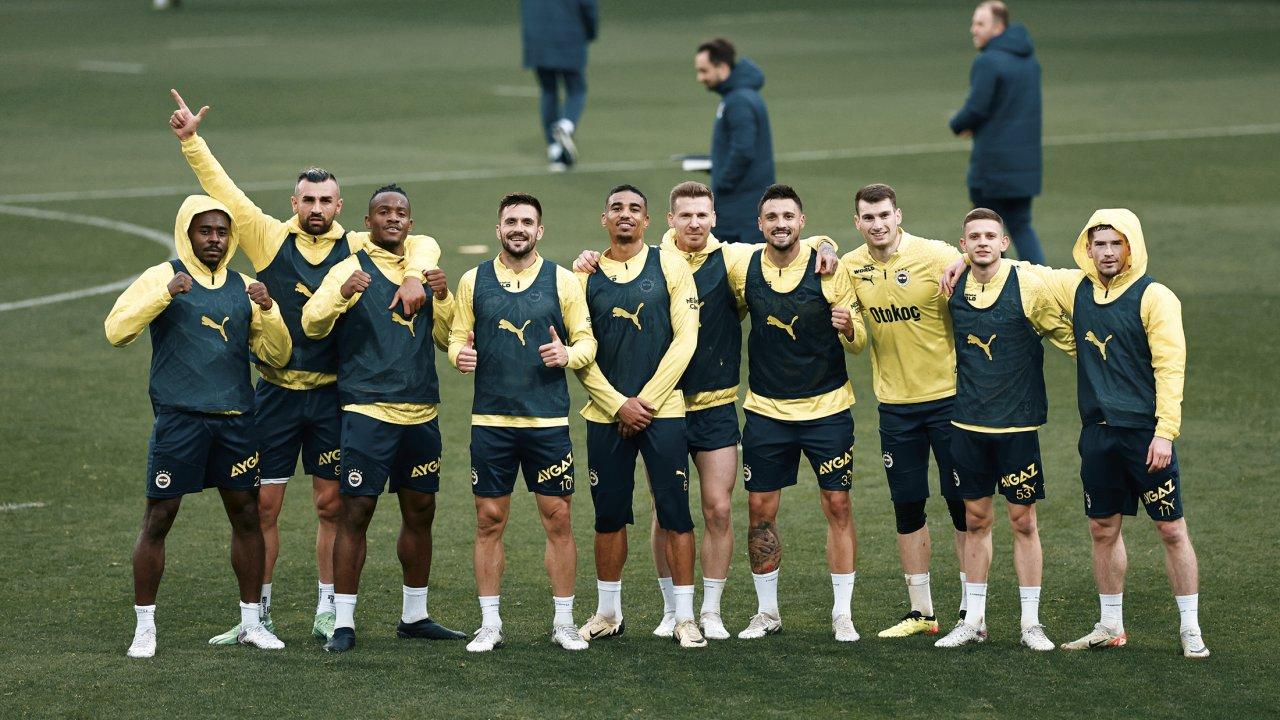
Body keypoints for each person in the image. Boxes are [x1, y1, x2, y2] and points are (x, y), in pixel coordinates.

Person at [168, 89, 437, 643]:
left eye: (326, 201)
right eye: (308, 200)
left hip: (336, 395)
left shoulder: (358, 245)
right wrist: (192, 141)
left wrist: (416, 272)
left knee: (332, 505)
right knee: (263, 505)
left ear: (340, 207)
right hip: (274, 392)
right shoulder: (268, 237)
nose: (316, 209)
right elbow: (224, 190)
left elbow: (419, 241)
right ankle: (258, 612)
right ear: (295, 202)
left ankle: (327, 608)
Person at [574, 182, 839, 640]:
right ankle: (671, 610)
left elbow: (786, 243)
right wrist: (586, 259)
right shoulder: (654, 259)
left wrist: (827, 246)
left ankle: (711, 610)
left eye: (702, 215)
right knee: (665, 510)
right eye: (686, 215)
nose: (694, 223)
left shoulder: (732, 259)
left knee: (717, 509)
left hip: (714, 404)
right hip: (662, 408)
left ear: (714, 219)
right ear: (669, 220)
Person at [940, 208, 1206, 658]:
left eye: (1116, 243)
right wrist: (965, 259)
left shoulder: (1155, 296)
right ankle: (1110, 625)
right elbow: (1017, 267)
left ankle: (1190, 628)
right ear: (1088, 248)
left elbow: (1170, 367)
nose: (1108, 252)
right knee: (1102, 528)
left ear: (1131, 247)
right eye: (1099, 244)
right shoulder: (1075, 287)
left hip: (1145, 434)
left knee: (1171, 529)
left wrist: (1166, 431)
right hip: (1097, 433)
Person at [106, 195, 292, 658]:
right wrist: (165, 294)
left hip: (236, 421)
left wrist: (269, 310)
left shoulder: (246, 287)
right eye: (204, 231)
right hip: (180, 420)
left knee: (247, 517)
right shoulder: (163, 276)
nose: (214, 239)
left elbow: (278, 356)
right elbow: (117, 331)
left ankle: (251, 623)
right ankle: (144, 628)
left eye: (222, 232)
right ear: (187, 233)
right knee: (159, 518)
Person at [300, 185, 466, 653]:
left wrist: (443, 295)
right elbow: (312, 323)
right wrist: (342, 295)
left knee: (421, 511)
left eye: (400, 213)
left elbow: (446, 338)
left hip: (421, 410)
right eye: (383, 212)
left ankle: (415, 616)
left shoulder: (425, 269)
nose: (392, 218)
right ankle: (343, 623)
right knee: (356, 513)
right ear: (367, 222)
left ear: (410, 223)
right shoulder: (349, 268)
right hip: (367, 411)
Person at [448, 193, 595, 652]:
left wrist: (568, 354)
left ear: (539, 231)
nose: (518, 229)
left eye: (526, 222)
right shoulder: (473, 280)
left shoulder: (563, 280)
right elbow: (456, 336)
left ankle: (564, 622)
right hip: (490, 422)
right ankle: (489, 623)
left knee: (559, 518)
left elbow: (586, 340)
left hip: (547, 423)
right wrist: (458, 355)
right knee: (489, 520)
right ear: (499, 229)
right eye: (510, 221)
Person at [728, 184, 867, 642]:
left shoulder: (829, 268)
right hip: (767, 411)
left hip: (828, 409)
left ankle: (842, 614)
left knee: (838, 505)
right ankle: (767, 612)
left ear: (802, 222)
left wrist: (850, 329)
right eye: (772, 217)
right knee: (759, 511)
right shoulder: (744, 266)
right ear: (759, 224)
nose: (781, 224)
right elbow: (690, 249)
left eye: (789, 216)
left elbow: (860, 340)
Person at [931, 208, 1073, 651]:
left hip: (1017, 427)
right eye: (974, 237)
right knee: (975, 521)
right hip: (967, 425)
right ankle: (973, 619)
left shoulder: (1027, 285)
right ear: (963, 244)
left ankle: (1031, 623)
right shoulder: (952, 286)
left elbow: (1065, 336)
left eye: (990, 236)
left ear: (1004, 242)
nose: (982, 242)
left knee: (1023, 521)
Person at [573, 184, 705, 648]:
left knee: (676, 513)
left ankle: (685, 618)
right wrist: (617, 404)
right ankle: (608, 613)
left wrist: (643, 402)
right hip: (604, 414)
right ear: (604, 218)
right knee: (608, 516)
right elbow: (579, 350)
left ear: (647, 221)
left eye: (634, 209)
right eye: (616, 208)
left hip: (662, 412)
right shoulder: (583, 277)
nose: (625, 214)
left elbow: (686, 339)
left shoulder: (670, 265)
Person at [839, 183, 971, 639]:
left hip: (949, 400)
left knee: (962, 507)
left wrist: (965, 259)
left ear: (898, 216)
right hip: (895, 407)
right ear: (857, 222)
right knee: (907, 506)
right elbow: (858, 344)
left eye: (884, 216)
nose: (877, 225)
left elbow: (983, 259)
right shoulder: (851, 267)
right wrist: (847, 328)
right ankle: (922, 612)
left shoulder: (935, 255)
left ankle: (970, 613)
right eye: (868, 218)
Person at [948, 1, 1045, 265]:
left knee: (984, 231)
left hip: (993, 165)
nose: (973, 29)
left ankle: (993, 286)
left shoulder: (988, 61)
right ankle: (1044, 284)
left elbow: (976, 108)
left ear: (998, 27)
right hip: (1025, 164)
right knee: (1021, 227)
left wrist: (957, 123)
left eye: (980, 24)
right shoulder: (1029, 61)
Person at [695, 38, 774, 245]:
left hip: (740, 213)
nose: (700, 78)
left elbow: (743, 151)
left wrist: (722, 181)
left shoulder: (739, 101)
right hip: (743, 208)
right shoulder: (740, 96)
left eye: (704, 71)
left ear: (722, 67)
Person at [521, 0, 598, 171]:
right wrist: (590, 32)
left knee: (548, 91)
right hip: (569, 38)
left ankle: (555, 152)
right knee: (577, 89)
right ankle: (565, 126)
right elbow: (588, 7)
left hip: (537, 41)